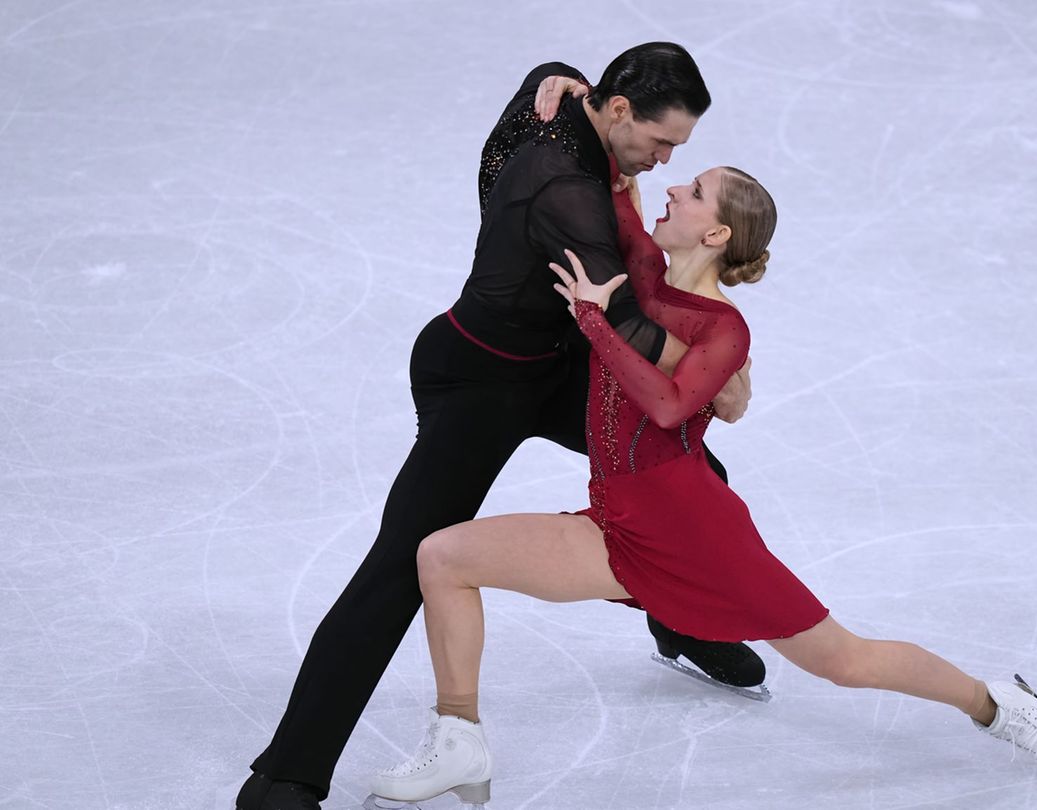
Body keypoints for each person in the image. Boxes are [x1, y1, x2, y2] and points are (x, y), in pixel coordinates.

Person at [367, 164, 1037, 806]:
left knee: (842, 660)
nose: (676, 188)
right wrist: (561, 90)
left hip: (693, 529)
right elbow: (618, 186)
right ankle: (459, 738)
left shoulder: (724, 329)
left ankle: (994, 703)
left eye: (695, 191)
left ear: (716, 234)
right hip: (617, 520)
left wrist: (594, 318)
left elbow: (668, 406)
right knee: (444, 556)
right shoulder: (642, 276)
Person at [237, 43, 768, 810]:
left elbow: (543, 76)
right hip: (479, 379)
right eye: (660, 143)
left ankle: (680, 619)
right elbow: (622, 316)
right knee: (401, 565)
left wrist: (560, 74)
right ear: (618, 111)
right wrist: (723, 366)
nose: (663, 161)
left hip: (556, 364)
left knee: (691, 481)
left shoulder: (554, 103)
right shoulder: (564, 188)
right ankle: (287, 773)